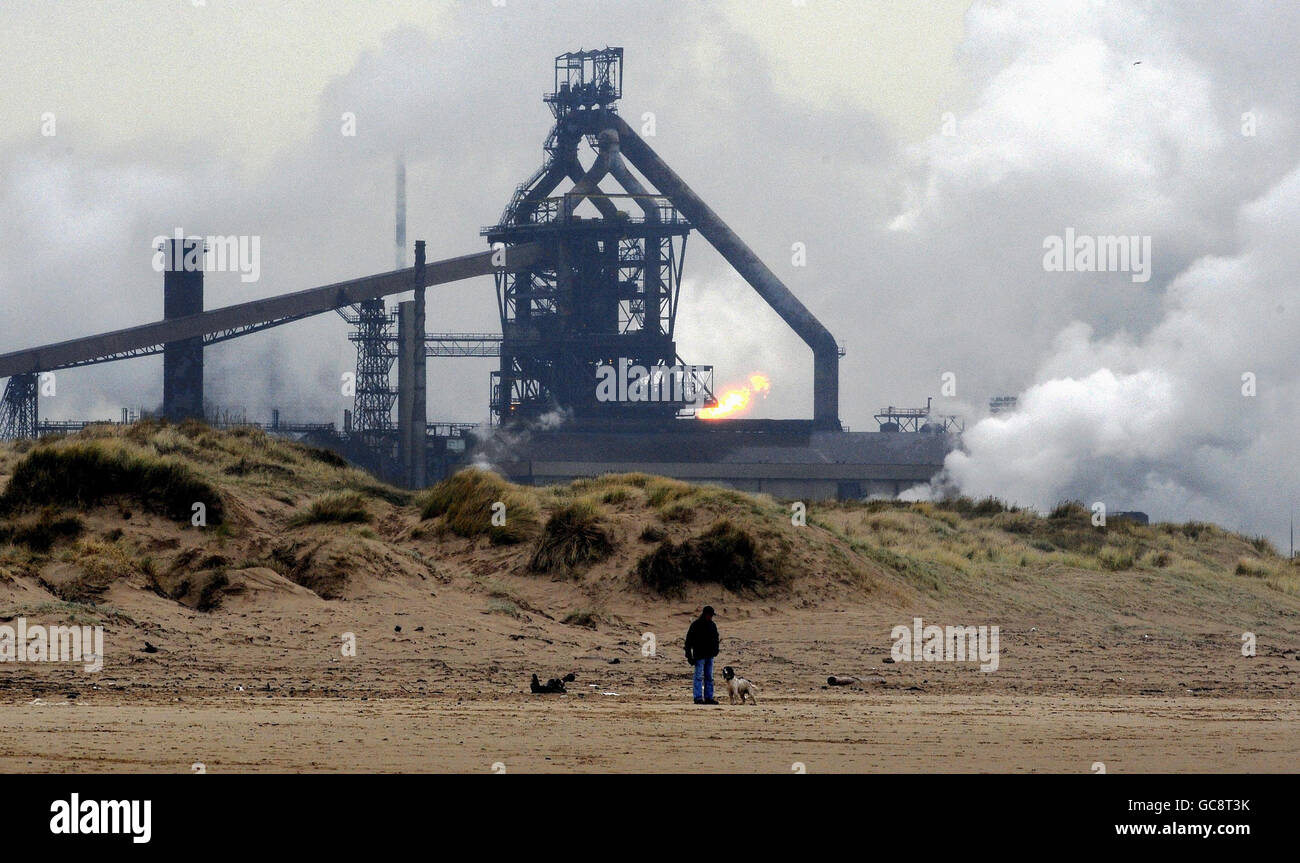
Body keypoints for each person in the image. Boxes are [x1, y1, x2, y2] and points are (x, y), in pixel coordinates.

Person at [684, 606, 720, 705]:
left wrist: (716, 650)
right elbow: (688, 641)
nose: (711, 617)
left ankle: (708, 697)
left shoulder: (712, 625)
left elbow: (716, 639)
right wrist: (689, 656)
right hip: (699, 655)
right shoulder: (696, 625)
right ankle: (698, 698)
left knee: (709, 677)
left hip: (709, 655)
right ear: (706, 614)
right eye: (710, 615)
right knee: (699, 677)